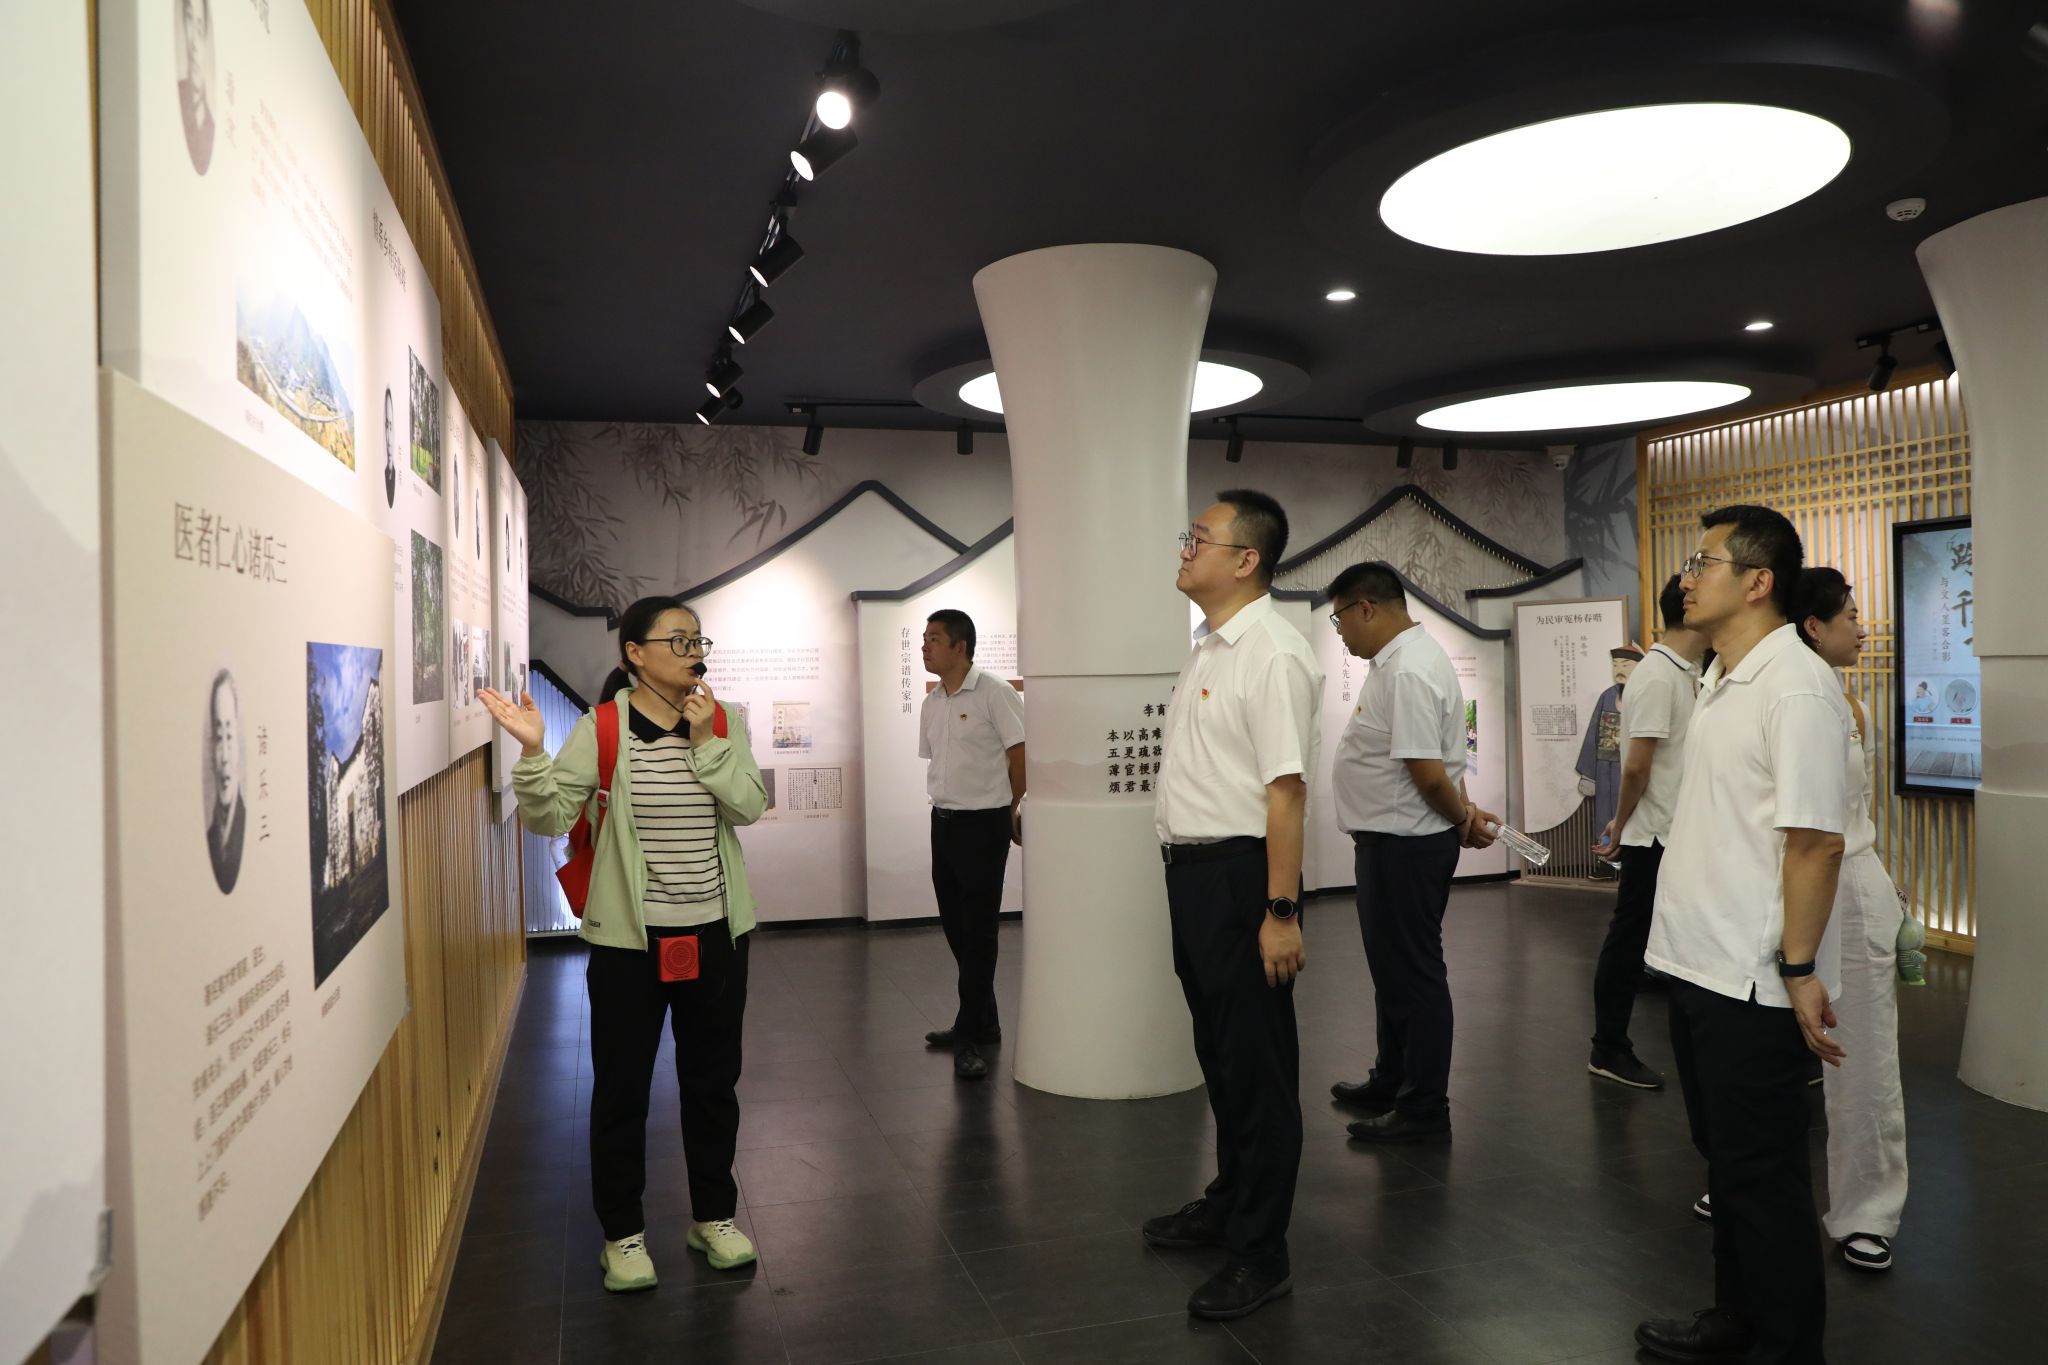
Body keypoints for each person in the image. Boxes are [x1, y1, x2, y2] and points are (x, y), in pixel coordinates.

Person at [481, 595, 768, 1294]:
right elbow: (551, 815)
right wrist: (533, 750)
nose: (693, 652)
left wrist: (706, 743)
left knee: (712, 1084)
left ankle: (714, 1217)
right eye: (677, 640)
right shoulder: (602, 727)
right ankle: (623, 1235)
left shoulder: (723, 721)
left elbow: (749, 806)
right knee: (622, 1089)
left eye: (697, 640)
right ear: (635, 654)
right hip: (629, 945)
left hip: (717, 934)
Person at [1634, 505, 1853, 1365]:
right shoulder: (1723, 677)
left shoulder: (1795, 685)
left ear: (1759, 581)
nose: (1687, 577)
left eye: (1704, 562)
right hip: (1700, 962)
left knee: (1762, 1176)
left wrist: (1797, 966)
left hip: (1752, 976)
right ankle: (1736, 1318)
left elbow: (1817, 840)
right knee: (1726, 1165)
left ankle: (1789, 1346)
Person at [1141, 490, 1323, 1322]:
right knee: (1221, 1055)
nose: (1185, 550)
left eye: (1199, 539)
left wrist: (1280, 910)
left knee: (1258, 1070)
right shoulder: (1211, 646)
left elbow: (1286, 792)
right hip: (1194, 876)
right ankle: (1229, 1200)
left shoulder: (1272, 653)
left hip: (1244, 877)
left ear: (1247, 559)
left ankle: (1261, 1251)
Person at [1323, 563, 1498, 1142]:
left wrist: (1462, 818)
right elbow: (1445, 759)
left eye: (1340, 619)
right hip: (1393, 841)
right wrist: (1463, 812)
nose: (1340, 633)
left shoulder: (1410, 670)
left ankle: (1424, 1107)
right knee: (1393, 971)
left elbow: (1427, 772)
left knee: (1414, 973)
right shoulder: (1398, 663)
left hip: (1406, 844)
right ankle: (1391, 1079)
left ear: (1366, 608)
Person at [1792, 567, 1909, 1272]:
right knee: (1761, 1051)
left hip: (1851, 884)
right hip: (1781, 886)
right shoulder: (1775, 692)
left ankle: (1869, 1210)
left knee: (1862, 1054)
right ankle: (1745, 1178)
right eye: (1851, 617)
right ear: (1813, 626)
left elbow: (1855, 819)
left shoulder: (1850, 707)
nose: (1862, 629)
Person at [1587, 575, 1706, 1090]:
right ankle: (1608, 1047)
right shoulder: (1657, 675)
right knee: (1628, 940)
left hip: (1677, 833)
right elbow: (1636, 766)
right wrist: (1620, 821)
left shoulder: (1689, 671)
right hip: (1653, 836)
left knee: (1653, 941)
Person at [916, 608, 1026, 1080]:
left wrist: (1015, 807)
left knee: (979, 932)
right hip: (943, 822)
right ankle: (985, 1020)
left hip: (984, 825)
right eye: (924, 638)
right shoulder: (933, 701)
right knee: (957, 928)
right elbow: (936, 760)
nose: (924, 647)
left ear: (960, 646)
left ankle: (969, 1036)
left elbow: (1020, 752)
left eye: (934, 639)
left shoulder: (995, 693)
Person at [1577, 647, 1642, 880]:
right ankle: (1605, 863)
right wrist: (1589, 774)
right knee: (1605, 815)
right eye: (1616, 665)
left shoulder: (1643, 695)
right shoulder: (1606, 696)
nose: (1619, 670)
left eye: (1625, 665)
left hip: (1630, 765)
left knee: (1631, 813)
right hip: (1605, 766)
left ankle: (1630, 862)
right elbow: (1593, 733)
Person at [206, 668, 246, 894]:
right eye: (219, 737)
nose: (225, 757)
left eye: (229, 736)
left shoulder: (244, 822)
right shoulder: (210, 837)